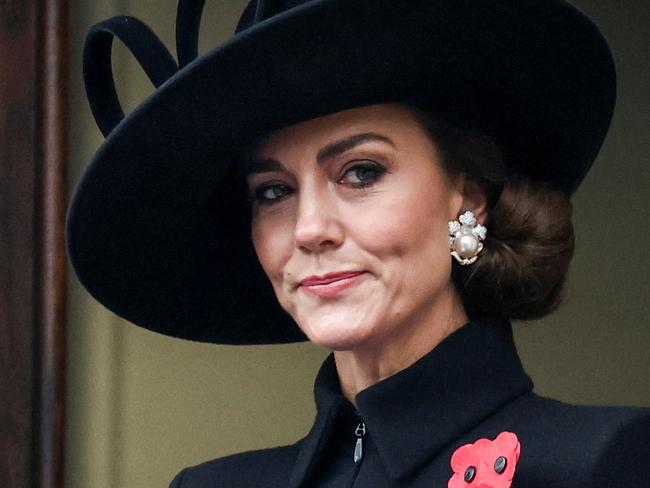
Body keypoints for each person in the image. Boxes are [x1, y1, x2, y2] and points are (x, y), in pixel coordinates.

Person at [67, 0, 650, 486]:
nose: (309, 228)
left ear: (467, 199)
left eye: (361, 172)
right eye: (272, 192)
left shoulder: (601, 461)